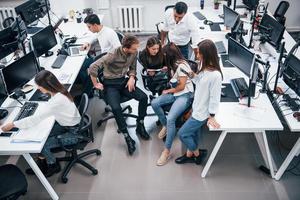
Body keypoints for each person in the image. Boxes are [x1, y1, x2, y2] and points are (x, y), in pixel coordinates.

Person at [1, 70, 81, 177]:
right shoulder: (59, 91)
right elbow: (44, 113)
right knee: (40, 135)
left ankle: (53, 165)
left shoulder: (56, 101)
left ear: (47, 86)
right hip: (69, 125)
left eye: (39, 86)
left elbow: (36, 119)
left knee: (42, 145)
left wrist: (12, 124)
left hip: (74, 133)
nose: (38, 88)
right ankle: (42, 162)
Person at [89, 35, 149, 156]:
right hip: (110, 85)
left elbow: (132, 68)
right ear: (126, 48)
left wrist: (132, 77)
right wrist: (96, 84)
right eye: (134, 48)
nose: (136, 50)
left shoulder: (133, 53)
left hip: (123, 81)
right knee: (116, 108)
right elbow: (92, 67)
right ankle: (127, 136)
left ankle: (140, 124)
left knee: (143, 97)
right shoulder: (112, 55)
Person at [175, 39, 222, 165]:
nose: (197, 55)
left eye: (199, 53)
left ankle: (197, 153)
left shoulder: (216, 76)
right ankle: (190, 154)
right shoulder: (204, 66)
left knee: (182, 134)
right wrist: (192, 75)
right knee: (193, 133)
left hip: (202, 113)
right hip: (197, 107)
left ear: (206, 54)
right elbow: (200, 83)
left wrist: (212, 116)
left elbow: (215, 98)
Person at [151, 43, 194, 166]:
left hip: (185, 95)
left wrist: (168, 91)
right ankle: (166, 126)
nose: (163, 57)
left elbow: (181, 86)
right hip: (176, 93)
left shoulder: (182, 66)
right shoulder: (173, 65)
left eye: (164, 55)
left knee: (171, 118)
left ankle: (166, 151)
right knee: (154, 103)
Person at [79, 14, 121, 96]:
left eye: (89, 27)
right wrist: (88, 42)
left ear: (95, 25)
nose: (88, 29)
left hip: (109, 61)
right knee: (81, 67)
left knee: (92, 71)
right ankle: (88, 89)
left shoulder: (110, 33)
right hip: (102, 57)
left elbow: (119, 50)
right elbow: (95, 36)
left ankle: (86, 94)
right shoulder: (99, 31)